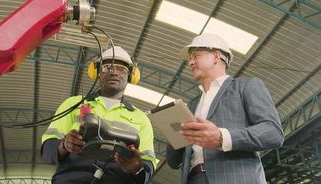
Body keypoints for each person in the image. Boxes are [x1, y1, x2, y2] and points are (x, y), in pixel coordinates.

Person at [166, 33, 284, 184]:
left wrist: (221, 137)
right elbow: (173, 162)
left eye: (195, 56)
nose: (190, 62)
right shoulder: (191, 105)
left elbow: (273, 132)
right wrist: (174, 135)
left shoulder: (246, 86)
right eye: (190, 58)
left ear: (216, 57)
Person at [41, 46, 158, 184]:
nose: (114, 72)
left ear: (131, 76)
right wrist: (64, 145)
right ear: (96, 72)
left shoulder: (141, 119)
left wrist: (137, 169)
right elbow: (47, 151)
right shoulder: (73, 104)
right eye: (107, 68)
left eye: (121, 69)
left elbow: (147, 168)